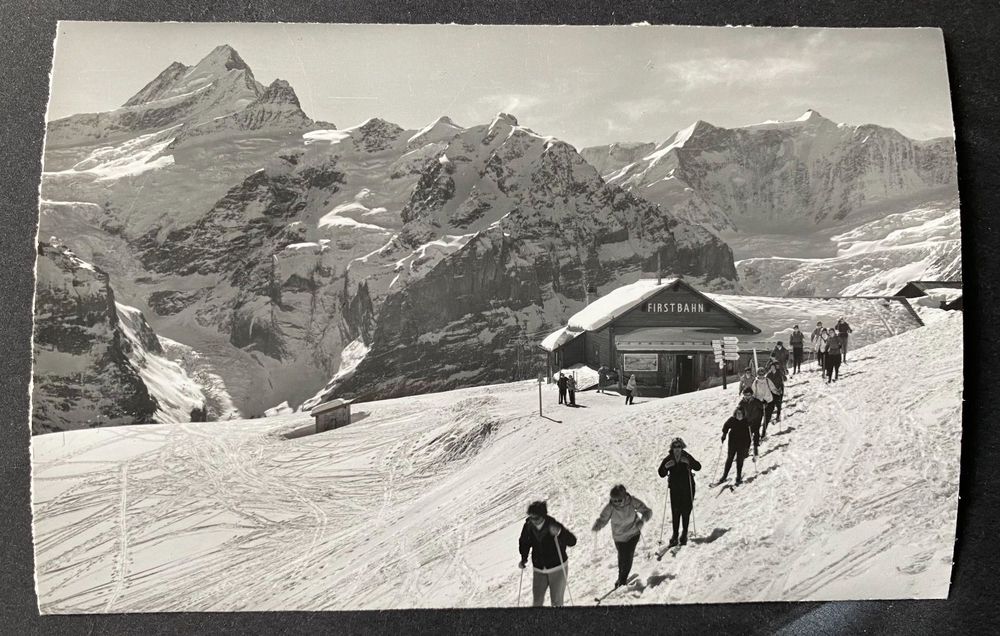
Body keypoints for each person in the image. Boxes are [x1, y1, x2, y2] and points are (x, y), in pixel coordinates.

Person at [518, 501, 578, 607]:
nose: (533, 521)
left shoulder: (553, 525)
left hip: (557, 568)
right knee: (537, 602)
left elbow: (572, 541)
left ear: (543, 516)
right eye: (531, 517)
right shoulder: (528, 526)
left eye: (536, 518)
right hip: (539, 569)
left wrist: (560, 533)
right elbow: (524, 542)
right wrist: (524, 558)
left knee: (556, 602)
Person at [591, 485, 653, 587]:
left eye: (619, 500)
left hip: (633, 533)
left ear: (625, 497)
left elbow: (647, 511)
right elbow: (603, 519)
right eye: (614, 500)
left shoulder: (632, 502)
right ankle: (621, 576)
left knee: (628, 555)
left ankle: (622, 580)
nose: (616, 503)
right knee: (621, 557)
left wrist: (642, 521)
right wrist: (598, 525)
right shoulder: (610, 507)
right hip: (619, 537)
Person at [657, 438, 701, 546]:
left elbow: (698, 467)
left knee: (686, 511)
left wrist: (689, 462)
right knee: (675, 512)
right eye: (675, 446)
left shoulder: (686, 456)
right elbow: (661, 473)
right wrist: (666, 467)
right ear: (672, 448)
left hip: (687, 487)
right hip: (675, 489)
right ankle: (675, 535)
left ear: (682, 447)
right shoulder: (669, 458)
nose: (677, 449)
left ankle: (684, 533)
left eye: (679, 446)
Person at [720, 406, 752, 484]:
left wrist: (747, 447)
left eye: (741, 413)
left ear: (743, 414)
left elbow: (749, 435)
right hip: (732, 443)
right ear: (735, 413)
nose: (739, 415)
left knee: (740, 460)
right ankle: (724, 476)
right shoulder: (732, 420)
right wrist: (724, 434)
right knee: (730, 459)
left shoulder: (746, 421)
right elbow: (726, 426)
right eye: (738, 413)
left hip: (742, 444)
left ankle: (738, 476)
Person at [751, 367, 778, 439]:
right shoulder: (755, 382)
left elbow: (772, 388)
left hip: (769, 401)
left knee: (767, 419)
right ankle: (756, 434)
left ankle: (763, 433)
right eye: (760, 374)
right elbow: (753, 393)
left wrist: (777, 392)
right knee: (758, 419)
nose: (761, 376)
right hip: (760, 403)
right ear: (757, 374)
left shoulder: (767, 380)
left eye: (763, 374)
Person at [739, 387, 765, 456]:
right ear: (743, 395)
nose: (747, 396)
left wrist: (764, 404)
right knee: (748, 436)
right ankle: (746, 450)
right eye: (746, 395)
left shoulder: (755, 401)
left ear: (751, 394)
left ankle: (755, 447)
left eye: (749, 395)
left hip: (756, 420)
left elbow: (762, 406)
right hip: (747, 421)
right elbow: (739, 412)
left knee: (756, 433)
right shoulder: (742, 403)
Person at [765, 362, 785, 430]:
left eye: (774, 367)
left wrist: (779, 388)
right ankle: (771, 417)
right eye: (771, 367)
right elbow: (766, 382)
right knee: (771, 404)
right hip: (771, 391)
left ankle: (778, 416)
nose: (772, 368)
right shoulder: (769, 375)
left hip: (779, 390)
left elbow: (783, 380)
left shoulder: (779, 373)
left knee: (778, 404)